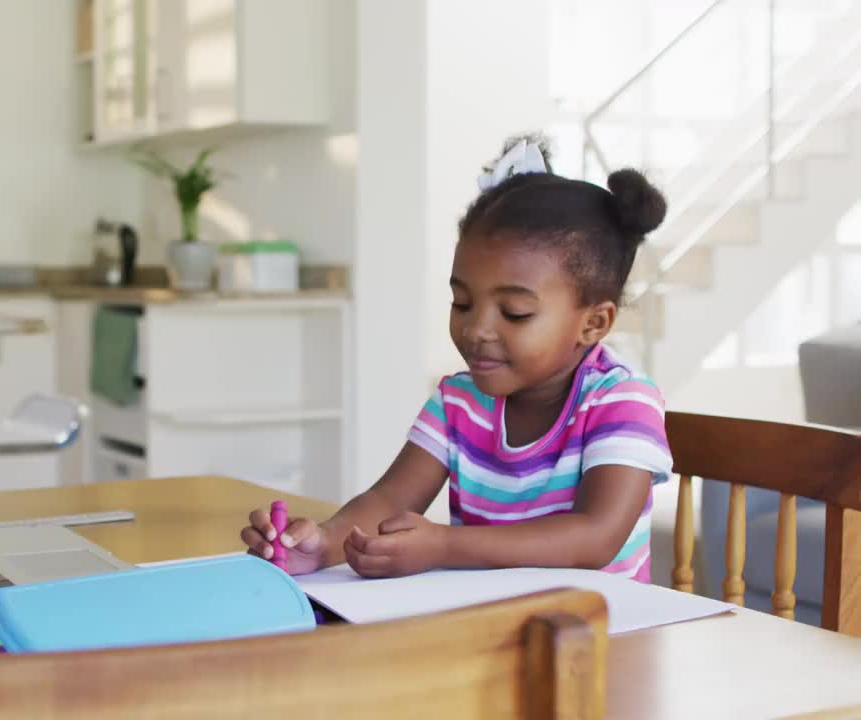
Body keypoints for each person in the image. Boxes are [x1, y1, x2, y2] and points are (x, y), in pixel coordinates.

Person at [241, 134, 674, 582]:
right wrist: (322, 545)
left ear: (594, 323)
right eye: (462, 303)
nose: (477, 329)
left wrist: (443, 544)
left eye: (514, 312)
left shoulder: (621, 400)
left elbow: (594, 537)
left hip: (606, 635)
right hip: (489, 623)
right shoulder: (459, 400)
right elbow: (389, 501)